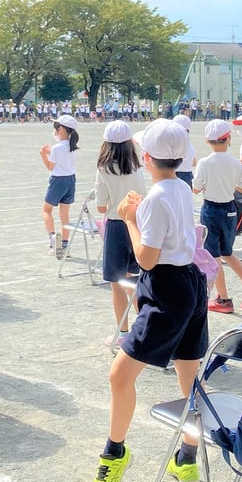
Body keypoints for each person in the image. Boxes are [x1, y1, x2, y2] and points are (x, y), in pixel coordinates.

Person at [89, 119, 208, 482]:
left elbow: (147, 258)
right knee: (189, 381)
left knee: (120, 376)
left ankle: (114, 454)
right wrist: (140, 214)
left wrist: (129, 219)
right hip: (190, 283)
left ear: (147, 157)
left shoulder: (156, 197)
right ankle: (187, 457)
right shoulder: (180, 188)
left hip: (167, 289)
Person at [193, 118, 242, 315]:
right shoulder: (235, 163)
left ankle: (223, 298)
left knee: (214, 256)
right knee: (227, 252)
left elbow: (196, 189)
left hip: (211, 210)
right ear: (228, 139)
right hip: (230, 210)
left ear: (207, 141)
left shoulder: (205, 163)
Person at [94, 120, 146, 350]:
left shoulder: (104, 170)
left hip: (116, 226)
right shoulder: (138, 166)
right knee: (136, 280)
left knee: (116, 283)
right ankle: (146, 327)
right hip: (137, 224)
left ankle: (124, 333)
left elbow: (101, 207)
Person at [40, 114, 80, 259]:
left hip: (58, 180)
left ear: (62, 129)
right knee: (64, 215)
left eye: (57, 127)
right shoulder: (72, 146)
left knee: (46, 210)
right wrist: (51, 152)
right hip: (70, 180)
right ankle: (64, 244)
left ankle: (52, 240)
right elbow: (63, 157)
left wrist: (43, 155)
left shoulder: (57, 148)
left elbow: (50, 166)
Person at [172, 114, 197, 188]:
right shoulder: (190, 144)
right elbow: (194, 163)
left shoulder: (172, 142)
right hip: (188, 175)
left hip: (174, 174)